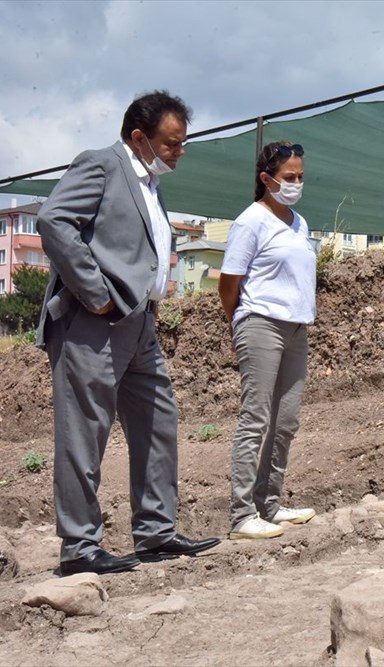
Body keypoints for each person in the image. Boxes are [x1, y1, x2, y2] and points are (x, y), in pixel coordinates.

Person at [36, 90, 220, 576]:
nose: (179, 151)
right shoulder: (100, 165)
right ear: (139, 137)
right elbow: (53, 220)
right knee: (84, 434)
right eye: (171, 143)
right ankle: (79, 547)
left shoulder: (151, 183)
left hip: (140, 324)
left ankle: (156, 532)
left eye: (183, 143)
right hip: (93, 323)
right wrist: (94, 291)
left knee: (159, 420)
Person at [219, 141, 317, 540]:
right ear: (266, 179)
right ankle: (242, 514)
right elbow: (229, 282)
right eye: (288, 178)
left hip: (297, 327)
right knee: (255, 418)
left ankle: (270, 504)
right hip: (260, 323)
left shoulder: (299, 222)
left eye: (300, 177)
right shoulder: (250, 222)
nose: (295, 184)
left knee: (286, 420)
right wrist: (238, 321)